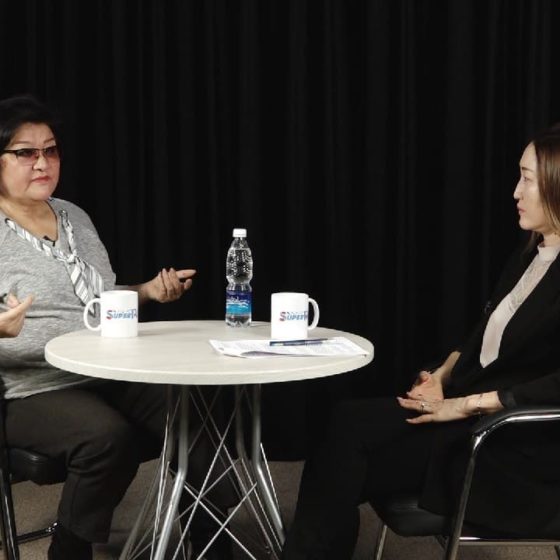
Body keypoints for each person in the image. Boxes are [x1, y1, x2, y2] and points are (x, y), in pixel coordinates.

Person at [281, 122, 560, 559]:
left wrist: (465, 404)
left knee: (345, 451)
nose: (515, 192)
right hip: (470, 418)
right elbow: (483, 335)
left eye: (527, 179)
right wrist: (442, 377)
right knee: (343, 425)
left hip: (511, 449)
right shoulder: (532, 256)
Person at [0, 94, 232, 560]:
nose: (42, 163)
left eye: (51, 150)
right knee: (107, 438)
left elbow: (97, 298)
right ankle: (68, 551)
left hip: (109, 368)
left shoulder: (74, 216)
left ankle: (210, 542)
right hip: (33, 387)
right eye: (26, 152)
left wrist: (146, 292)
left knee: (192, 411)